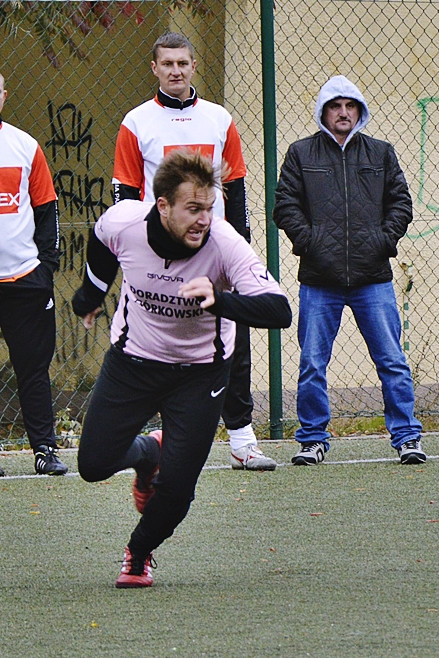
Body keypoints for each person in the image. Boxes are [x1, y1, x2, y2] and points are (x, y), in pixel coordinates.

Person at [72, 150, 291, 587]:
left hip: (200, 374)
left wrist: (221, 298)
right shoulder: (125, 222)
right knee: (93, 464)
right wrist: (92, 292)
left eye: (208, 208)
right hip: (133, 362)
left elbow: (280, 310)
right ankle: (148, 451)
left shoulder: (225, 243)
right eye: (193, 209)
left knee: (176, 488)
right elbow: (100, 239)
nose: (203, 219)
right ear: (163, 206)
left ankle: (138, 553)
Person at [111, 32, 275, 471]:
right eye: (167, 64)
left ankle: (242, 439)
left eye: (183, 63)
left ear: (194, 65)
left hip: (211, 251)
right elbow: (124, 198)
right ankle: (149, 439)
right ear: (155, 68)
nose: (176, 71)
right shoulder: (136, 122)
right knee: (149, 342)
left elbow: (235, 188)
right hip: (157, 255)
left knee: (233, 340)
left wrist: (237, 247)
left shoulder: (219, 120)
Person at [274, 75, 426, 466]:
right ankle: (312, 439)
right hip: (319, 281)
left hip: (372, 278)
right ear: (323, 111)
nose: (343, 113)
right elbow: (285, 206)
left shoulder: (381, 153)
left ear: (359, 111)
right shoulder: (300, 153)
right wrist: (312, 244)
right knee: (312, 363)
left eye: (350, 106)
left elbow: (401, 204)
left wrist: (381, 242)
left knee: (392, 359)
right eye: (335, 106)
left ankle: (407, 437)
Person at [0, 72, 68, 476]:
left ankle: (44, 450)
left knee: (33, 370)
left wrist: (46, 269)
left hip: (26, 281)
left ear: (4, 95)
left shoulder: (25, 147)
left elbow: (47, 211)